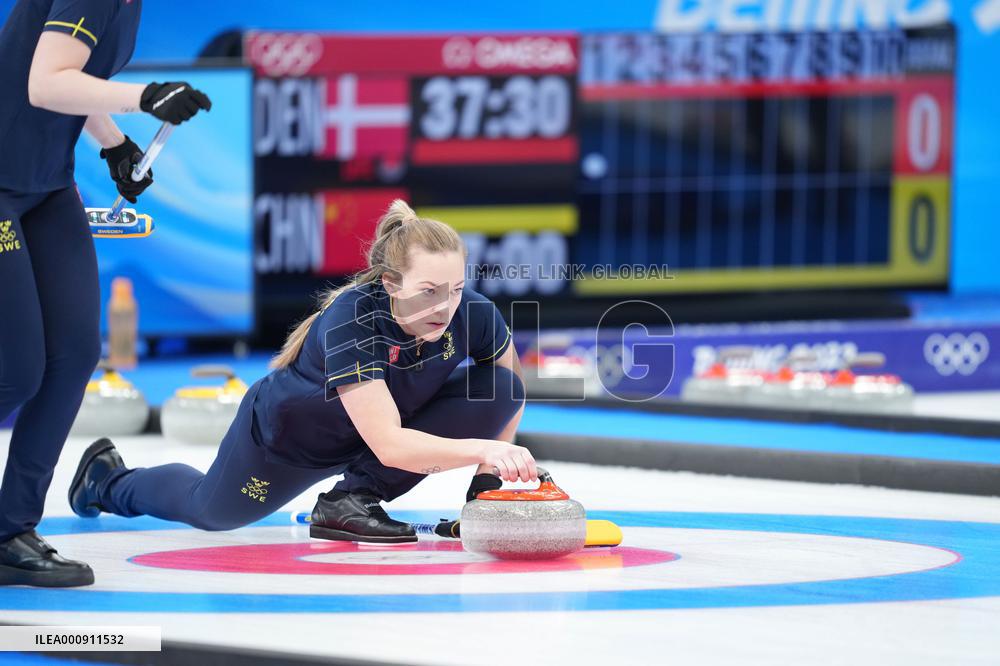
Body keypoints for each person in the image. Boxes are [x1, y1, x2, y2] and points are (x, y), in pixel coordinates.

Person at [69, 200, 534, 543]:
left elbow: (508, 391)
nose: (445, 308)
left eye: (455, 289)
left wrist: (486, 481)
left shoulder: (471, 314)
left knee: (500, 387)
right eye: (429, 291)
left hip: (373, 435)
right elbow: (389, 445)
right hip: (290, 442)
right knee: (211, 511)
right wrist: (485, 448)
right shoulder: (354, 319)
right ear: (391, 283)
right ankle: (108, 480)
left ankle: (351, 499)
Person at [0, 0, 211, 587]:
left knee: (71, 358)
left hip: (45, 185)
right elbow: (45, 83)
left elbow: (76, 82)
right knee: (16, 371)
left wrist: (114, 144)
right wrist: (145, 98)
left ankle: (8, 530)